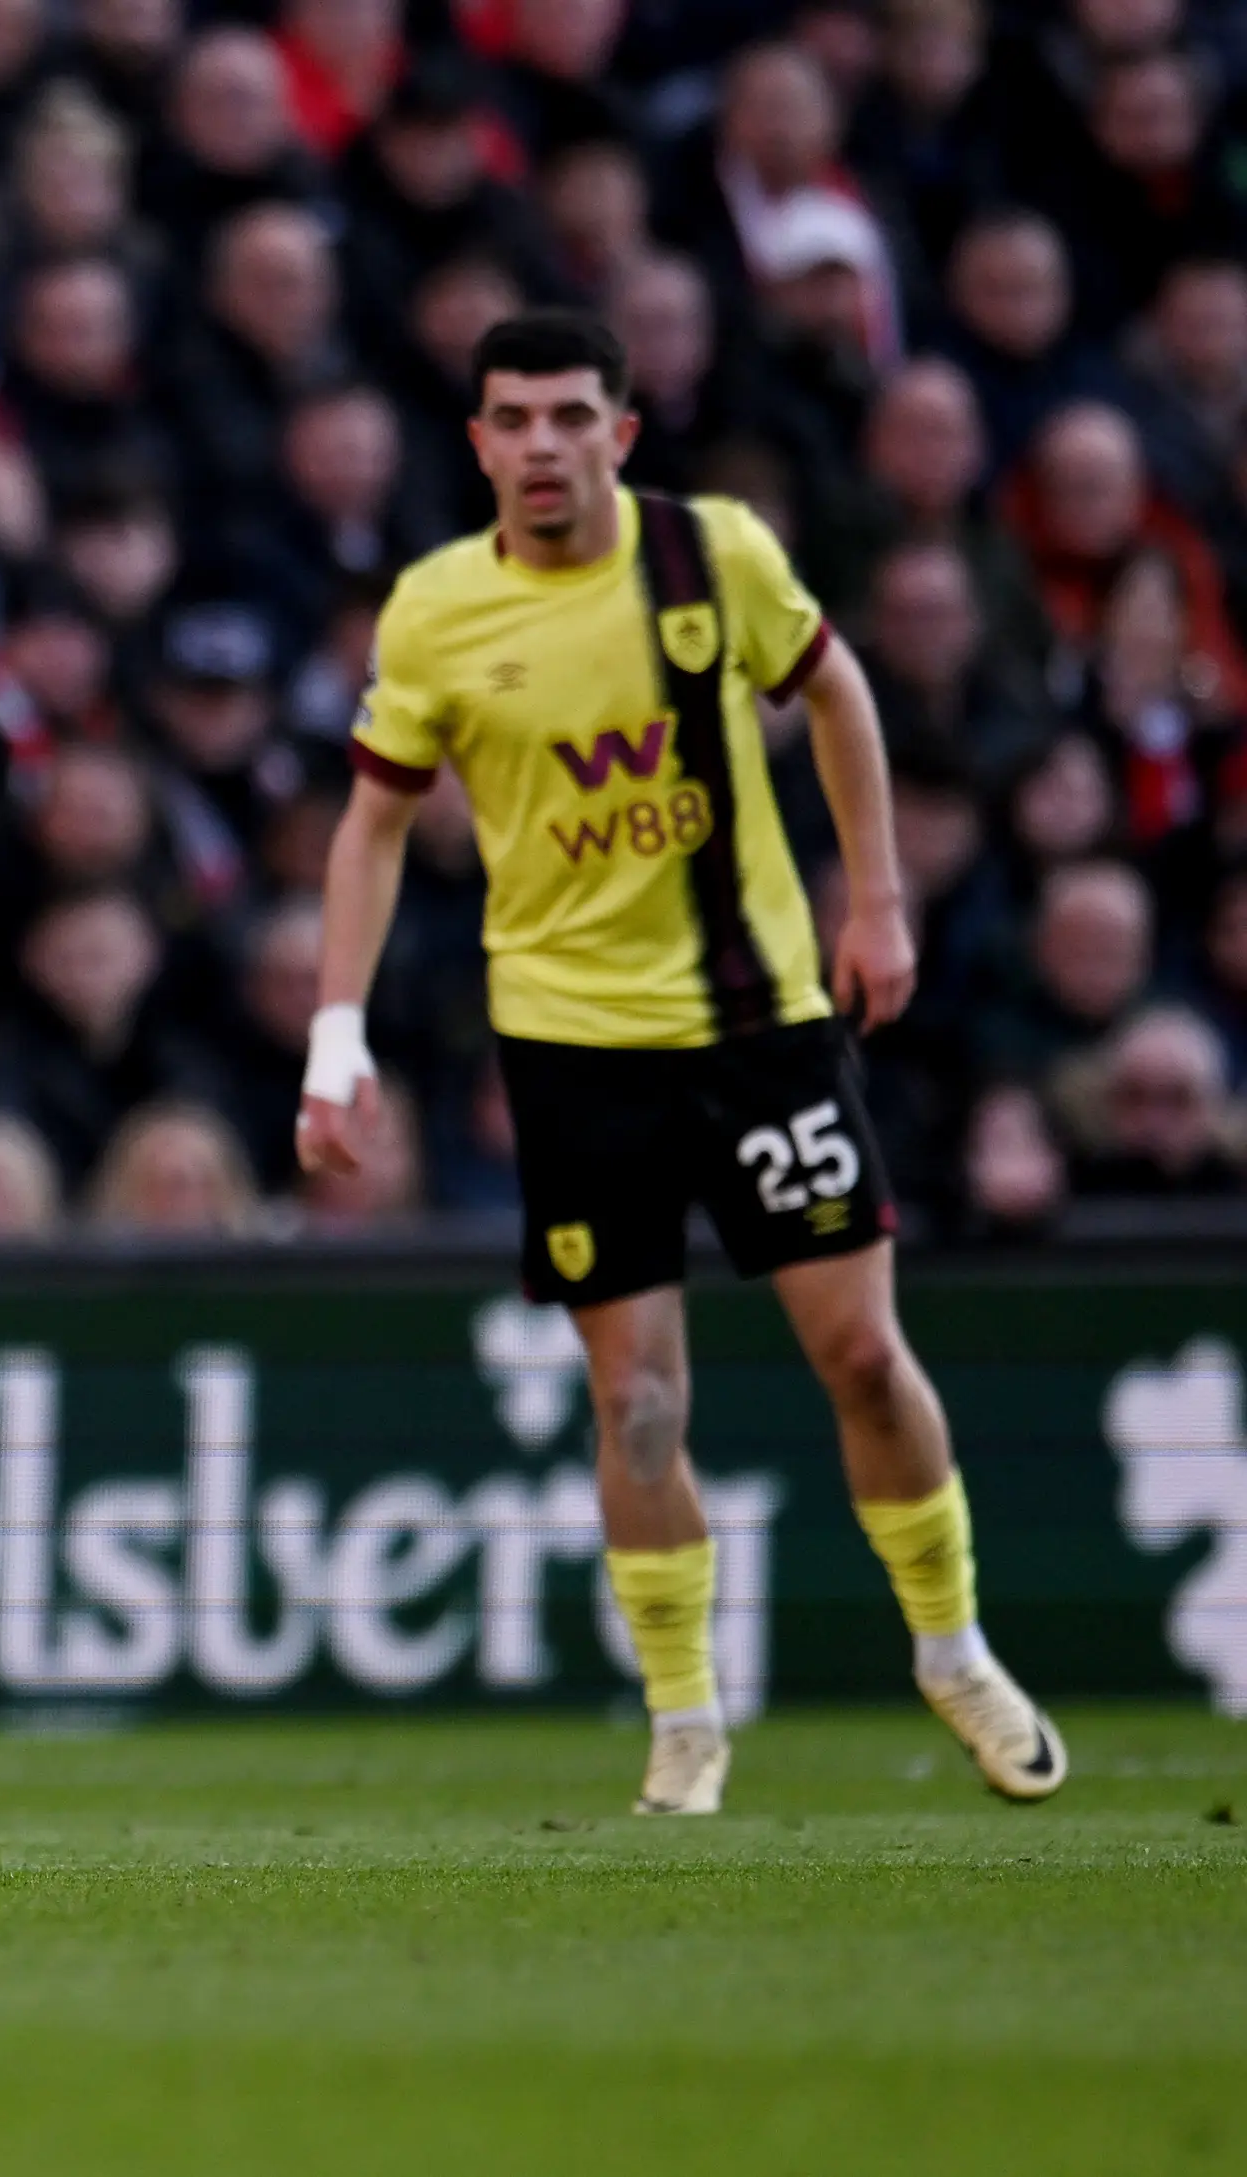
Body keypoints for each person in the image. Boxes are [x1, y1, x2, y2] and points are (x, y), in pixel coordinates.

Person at [300, 308, 1065, 1818]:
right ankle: (685, 1717)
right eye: (511, 419)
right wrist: (339, 1034)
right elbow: (376, 821)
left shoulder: (715, 555)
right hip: (577, 1053)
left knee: (859, 1355)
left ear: (621, 434)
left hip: (762, 1028)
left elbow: (836, 691)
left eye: (570, 416)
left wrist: (879, 898)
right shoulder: (437, 613)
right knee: (639, 1405)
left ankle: (954, 1649)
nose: (540, 445)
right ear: (476, 444)